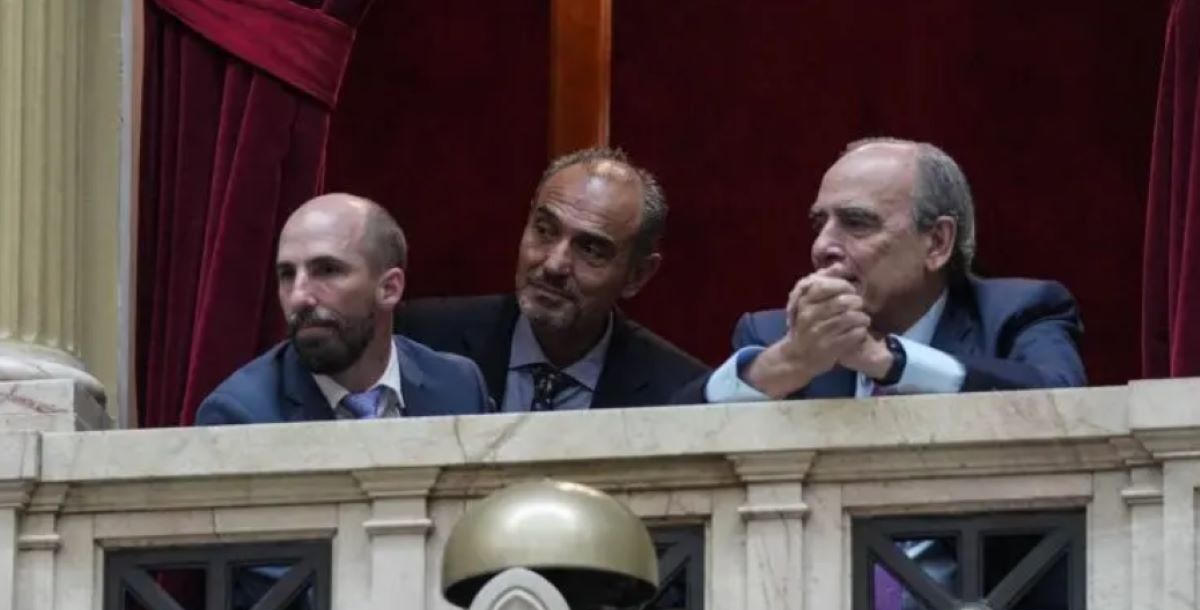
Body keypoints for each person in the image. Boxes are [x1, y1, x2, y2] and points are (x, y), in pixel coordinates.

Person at [677, 137, 1085, 406]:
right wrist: (788, 362)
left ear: (937, 242)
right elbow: (670, 434)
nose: (822, 248)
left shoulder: (1017, 312)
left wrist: (890, 361)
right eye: (821, 224)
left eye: (857, 223)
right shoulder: (773, 335)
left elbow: (1068, 406)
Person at [395, 147, 708, 412]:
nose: (554, 264)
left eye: (591, 249)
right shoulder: (422, 339)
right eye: (545, 230)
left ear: (637, 276)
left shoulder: (678, 395)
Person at [196, 193, 490, 425]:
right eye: (287, 274)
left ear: (389, 288)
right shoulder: (241, 415)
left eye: (326, 270)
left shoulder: (458, 385)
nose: (299, 297)